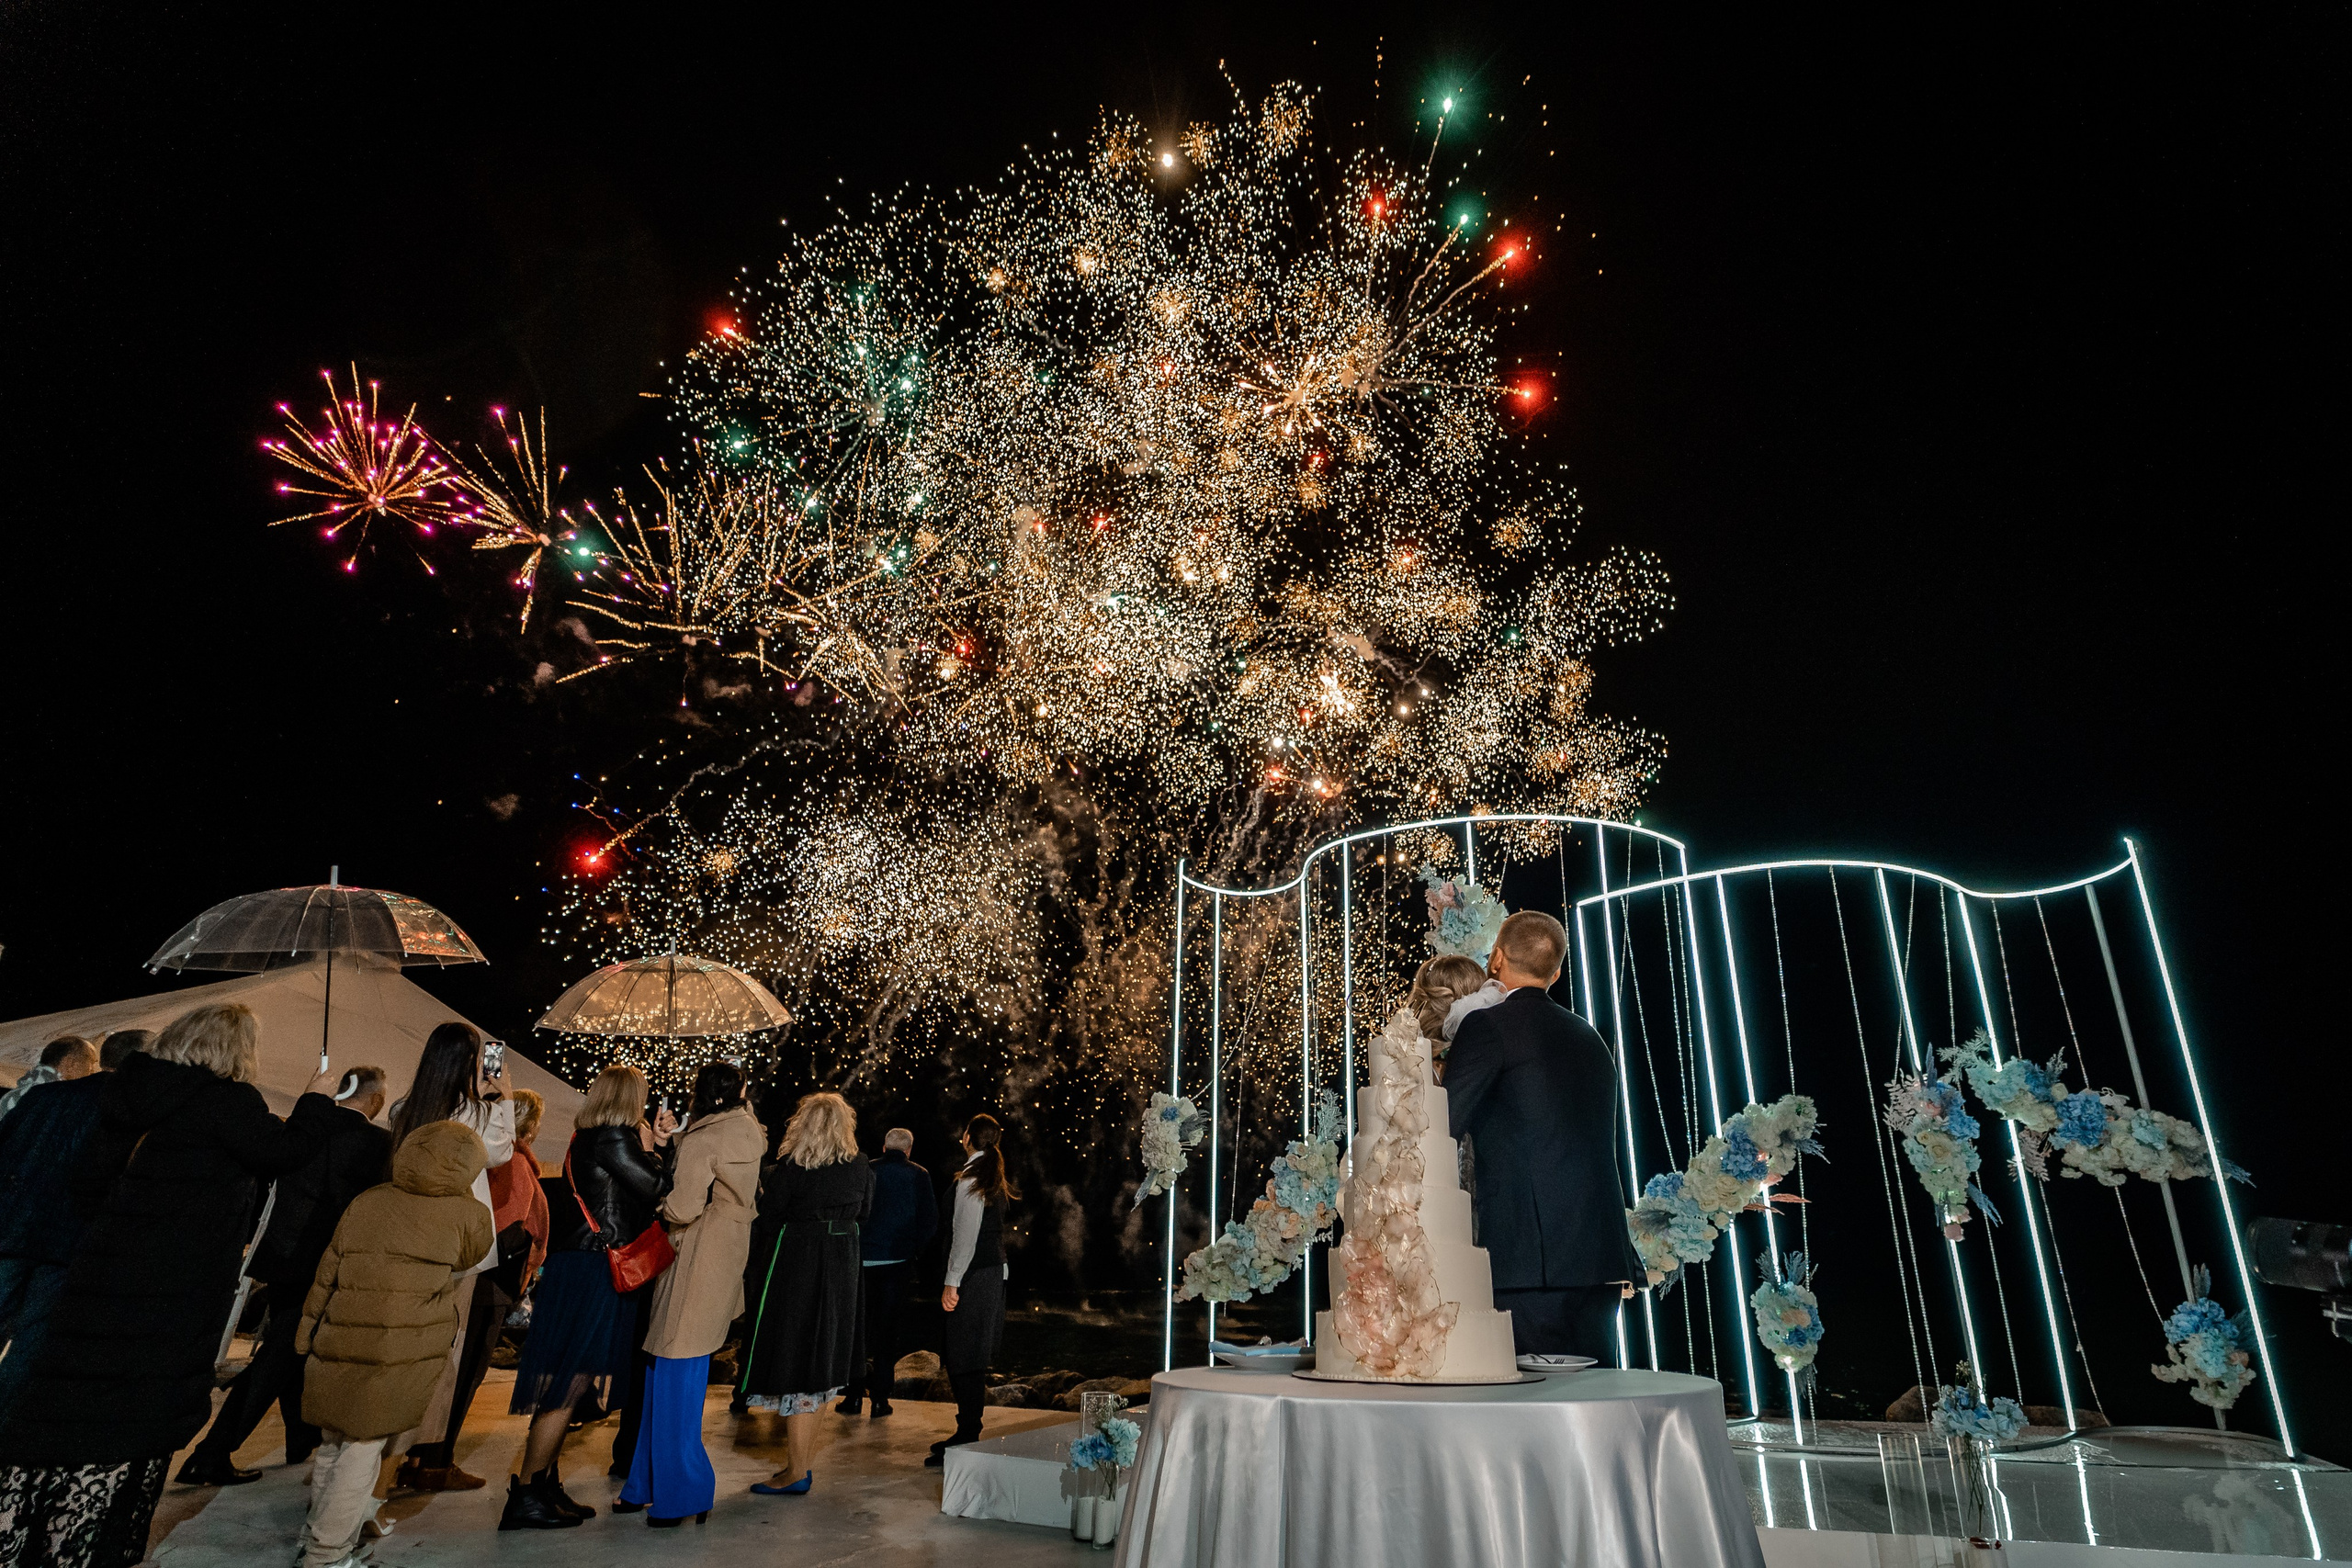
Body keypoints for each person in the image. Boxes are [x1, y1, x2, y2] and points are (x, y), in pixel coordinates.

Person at [0, 1003, 335, 1568]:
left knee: (76, 1407)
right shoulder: (228, 1102)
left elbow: (87, 1187)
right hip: (173, 1291)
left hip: (101, 1280)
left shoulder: (126, 1097)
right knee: (138, 1416)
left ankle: (38, 1536)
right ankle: (101, 1544)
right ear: (235, 1049)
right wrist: (317, 1098)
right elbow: (283, 1154)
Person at [177, 1066, 394, 1486]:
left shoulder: (305, 1126)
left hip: (282, 1255)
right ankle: (211, 1452)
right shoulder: (376, 1143)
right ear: (376, 1100)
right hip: (325, 1262)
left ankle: (300, 1438)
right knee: (281, 1354)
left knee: (292, 1347)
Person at [293, 1118, 494, 1568]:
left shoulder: (369, 1200)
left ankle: (316, 1533)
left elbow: (328, 1270)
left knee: (333, 1441)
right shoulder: (467, 1213)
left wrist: (306, 1333)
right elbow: (473, 1255)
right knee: (364, 1448)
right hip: (400, 1349)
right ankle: (326, 1553)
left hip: (338, 1337)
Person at [1442, 910, 1643, 1362]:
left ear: (1495, 959)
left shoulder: (1488, 1027)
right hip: (1600, 1256)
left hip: (1528, 1260)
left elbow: (1443, 1125)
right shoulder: (1589, 1037)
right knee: (1592, 1406)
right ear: (1555, 973)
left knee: (1529, 1409)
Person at [501, 1065, 672, 1530]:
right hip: (595, 1269)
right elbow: (657, 1188)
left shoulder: (588, 1137)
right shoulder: (615, 1136)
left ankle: (544, 1483)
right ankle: (529, 1492)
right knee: (570, 1380)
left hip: (580, 1265)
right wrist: (657, 1149)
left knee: (568, 1377)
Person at [620, 1062, 763, 1527]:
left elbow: (682, 1206)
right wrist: (674, 1142)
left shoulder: (705, 1138)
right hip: (725, 1256)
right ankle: (643, 1482)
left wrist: (657, 1198)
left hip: (697, 1256)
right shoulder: (747, 1130)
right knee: (669, 1369)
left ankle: (684, 1493)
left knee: (675, 1371)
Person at [388, 1022, 515, 1492]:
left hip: (409, 1240)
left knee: (405, 1347)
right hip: (458, 1249)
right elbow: (500, 1154)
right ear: (469, 1064)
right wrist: (502, 1098)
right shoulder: (473, 1114)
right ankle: (425, 1460)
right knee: (447, 1351)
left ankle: (393, 1456)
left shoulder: (404, 1110)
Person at [0, 1034, 146, 1430]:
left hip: (11, 1228)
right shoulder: (129, 1110)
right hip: (68, 1240)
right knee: (31, 1342)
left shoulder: (44, 1097)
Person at [740, 1092, 872, 1496]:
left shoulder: (792, 1168)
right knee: (823, 1366)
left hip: (799, 1268)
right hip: (843, 1268)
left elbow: (769, 1218)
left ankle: (796, 1472)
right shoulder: (862, 1165)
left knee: (799, 1365)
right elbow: (865, 1214)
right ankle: (800, 1465)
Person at [929, 1113, 1017, 1467]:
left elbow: (965, 1235)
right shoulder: (990, 1174)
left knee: (964, 1354)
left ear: (967, 1137)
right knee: (971, 1354)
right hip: (990, 1271)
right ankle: (968, 1429)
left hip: (974, 1274)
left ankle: (967, 1433)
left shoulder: (971, 1178)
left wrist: (952, 1282)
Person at [839, 1126, 934, 1417]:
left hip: (862, 1261)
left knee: (858, 1331)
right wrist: (913, 1251)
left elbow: (852, 1210)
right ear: (909, 1149)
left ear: (884, 1147)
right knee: (887, 1333)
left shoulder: (866, 1170)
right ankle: (880, 1400)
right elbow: (929, 1220)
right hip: (897, 1263)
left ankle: (853, 1396)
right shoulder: (919, 1175)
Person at [0, 1036, 97, 1122]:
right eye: (91, 1064)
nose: (92, 1071)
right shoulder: (62, 1099)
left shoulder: (10, 1096)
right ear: (70, 1064)